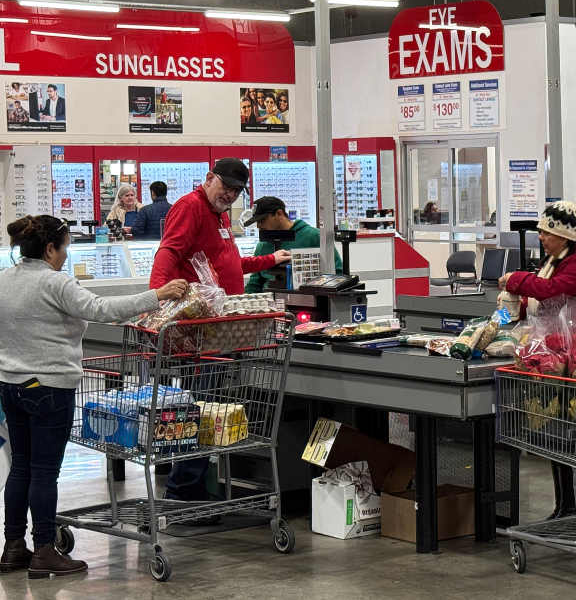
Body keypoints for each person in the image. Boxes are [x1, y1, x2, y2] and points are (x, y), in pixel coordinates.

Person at [0, 215, 187, 578]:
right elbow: (102, 310)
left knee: (21, 466)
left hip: (10, 384)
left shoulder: (4, 279)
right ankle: (44, 550)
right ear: (50, 248)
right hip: (49, 386)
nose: (66, 255)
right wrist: (158, 295)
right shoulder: (56, 283)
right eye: (65, 247)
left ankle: (13, 547)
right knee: (44, 472)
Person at [149, 159, 291, 510]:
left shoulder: (220, 216)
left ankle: (191, 489)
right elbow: (168, 252)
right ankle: (183, 495)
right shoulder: (191, 207)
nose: (229, 194)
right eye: (225, 186)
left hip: (219, 329)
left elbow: (228, 263)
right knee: (199, 410)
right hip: (198, 332)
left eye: (236, 190)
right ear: (209, 178)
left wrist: (269, 260)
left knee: (207, 411)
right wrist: (158, 299)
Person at [497, 201, 576, 519]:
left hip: (572, 361)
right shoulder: (553, 261)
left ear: (563, 236)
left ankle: (570, 506)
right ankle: (563, 505)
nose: (540, 237)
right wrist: (510, 310)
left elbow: (549, 290)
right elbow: (540, 302)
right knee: (553, 433)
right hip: (551, 356)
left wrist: (515, 279)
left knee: (564, 432)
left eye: (545, 232)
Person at [244, 196, 341, 293]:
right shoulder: (262, 246)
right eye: (257, 222)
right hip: (269, 301)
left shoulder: (315, 237)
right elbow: (254, 283)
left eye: (262, 220)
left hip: (308, 298)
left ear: (279, 213)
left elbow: (337, 272)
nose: (258, 226)